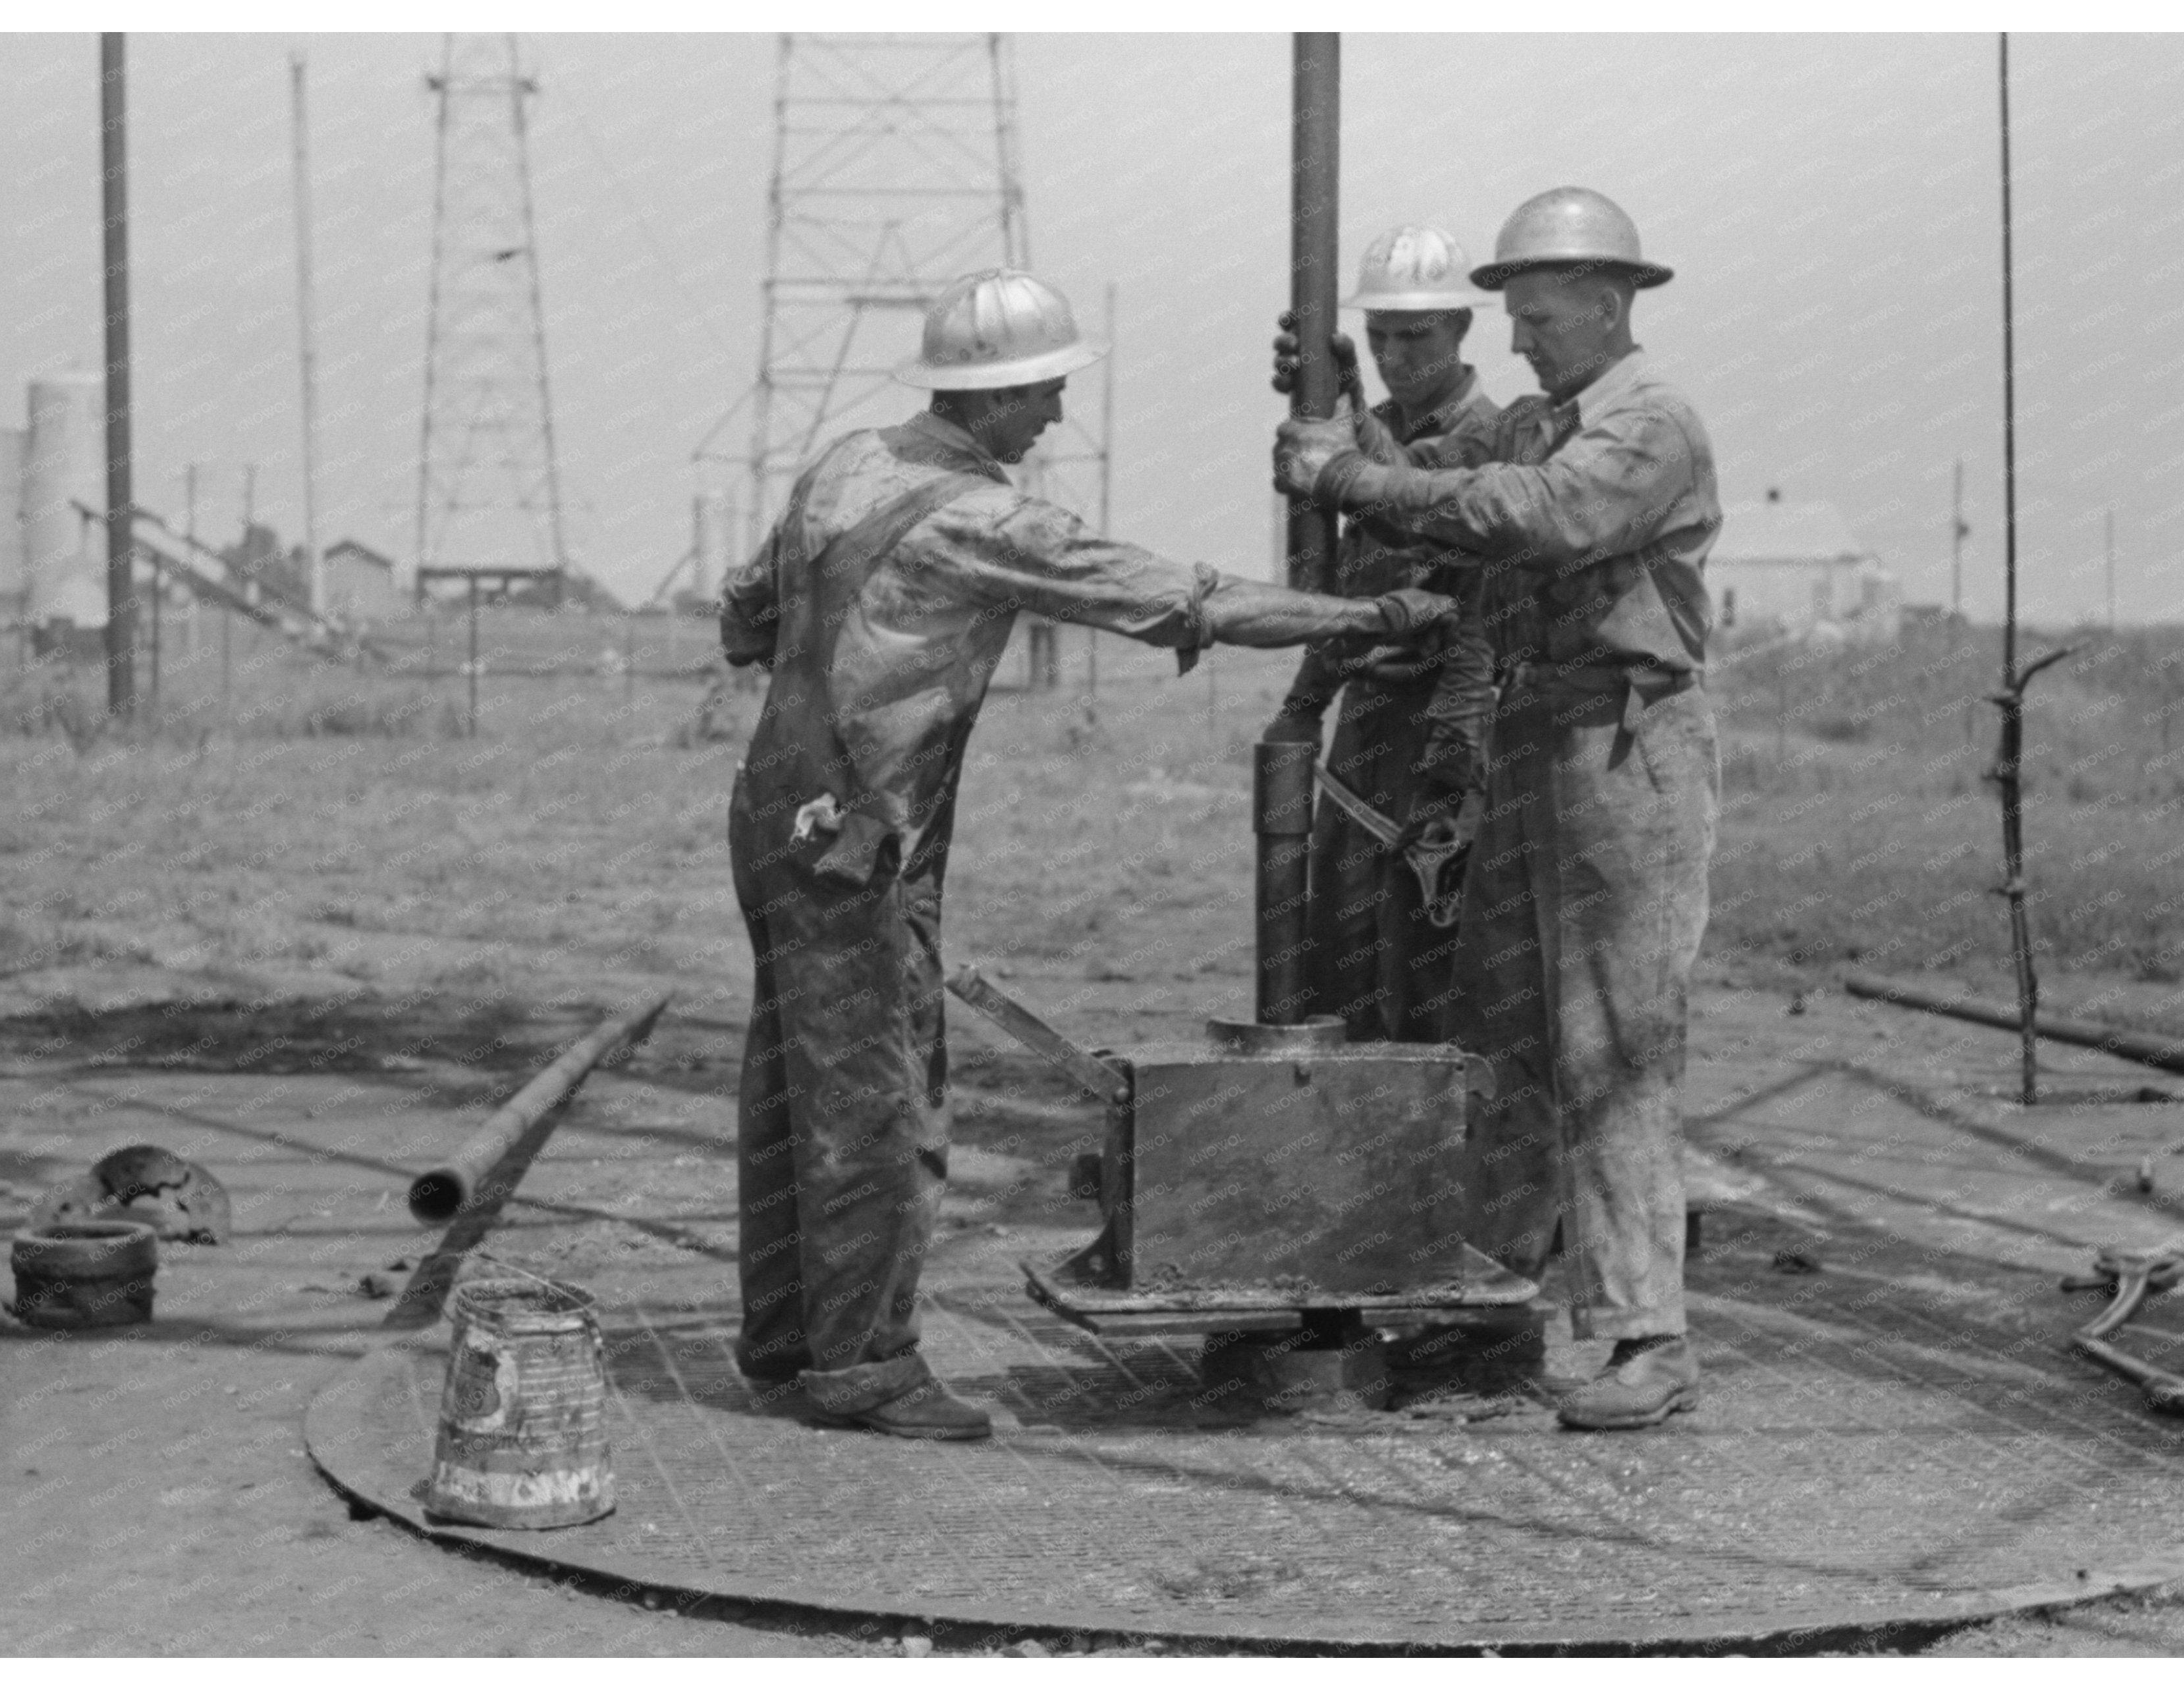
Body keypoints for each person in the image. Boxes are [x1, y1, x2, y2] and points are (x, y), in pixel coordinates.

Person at [723, 267, 1459, 1442]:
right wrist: (1366, 619)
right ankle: (864, 1365)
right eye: (1043, 395)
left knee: (790, 1080)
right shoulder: (980, 517)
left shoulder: (843, 466)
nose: (1056, 416)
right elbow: (1175, 597)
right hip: (861, 833)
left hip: (774, 812)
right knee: (878, 1094)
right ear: (990, 397)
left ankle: (785, 1340)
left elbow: (741, 613)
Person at [1273, 187, 1723, 1431]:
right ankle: (1489, 1318)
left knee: (1614, 1046)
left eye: (1533, 317)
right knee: (1504, 1037)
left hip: (1623, 748)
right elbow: (1450, 475)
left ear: (1608, 302)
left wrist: (1348, 471)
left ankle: (1648, 1335)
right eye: (1509, 318)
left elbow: (1527, 516)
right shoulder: (1546, 417)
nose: (1515, 339)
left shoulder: (1644, 426)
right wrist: (1335, 408)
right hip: (1538, 740)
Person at [1262, 225, 1500, 1045]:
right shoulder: (1376, 423)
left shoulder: (1497, 439)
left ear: (1463, 327)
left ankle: (1437, 1148)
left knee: (1426, 948)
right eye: (1379, 338)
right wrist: (1304, 705)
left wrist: (1346, 410)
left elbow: (1417, 509)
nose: (1397, 354)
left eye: (1416, 336)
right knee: (1340, 944)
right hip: (1365, 727)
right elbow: (1348, 582)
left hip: (1445, 731)